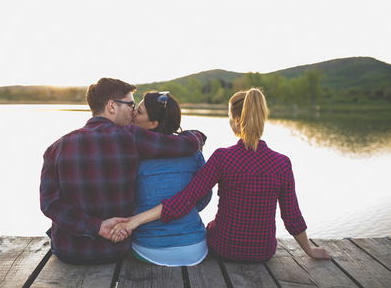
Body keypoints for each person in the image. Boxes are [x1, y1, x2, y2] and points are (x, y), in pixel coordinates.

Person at [110, 88, 330, 262]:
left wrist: (134, 221)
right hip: (264, 252)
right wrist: (309, 250)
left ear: (235, 121)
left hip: (225, 248)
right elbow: (291, 217)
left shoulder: (224, 157)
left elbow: (185, 201)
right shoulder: (282, 163)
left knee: (211, 227)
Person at [39, 78, 206, 265]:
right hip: (115, 249)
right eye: (131, 105)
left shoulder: (55, 148)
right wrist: (196, 135)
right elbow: (182, 145)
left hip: (68, 252)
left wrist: (97, 226)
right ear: (112, 106)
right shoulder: (130, 137)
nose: (133, 112)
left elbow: (49, 204)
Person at [131, 91, 212, 266]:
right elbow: (203, 199)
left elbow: (128, 201)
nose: (133, 114)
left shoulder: (133, 154)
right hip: (195, 247)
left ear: (153, 123)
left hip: (149, 247)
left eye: (138, 111)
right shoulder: (193, 152)